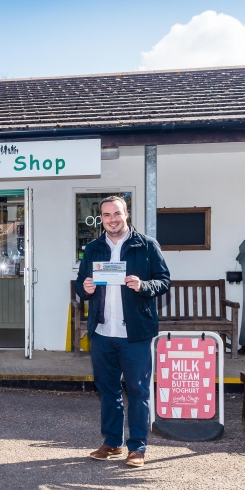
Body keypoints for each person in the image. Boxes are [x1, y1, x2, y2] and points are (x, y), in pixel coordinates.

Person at [75, 196, 170, 467]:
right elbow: (81, 284)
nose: (112, 219)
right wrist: (86, 289)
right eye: (106, 215)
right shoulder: (93, 248)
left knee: (138, 391)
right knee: (107, 390)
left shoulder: (146, 245)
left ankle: (137, 447)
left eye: (117, 213)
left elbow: (164, 281)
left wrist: (143, 286)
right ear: (100, 218)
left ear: (126, 214)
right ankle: (112, 443)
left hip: (135, 333)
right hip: (103, 332)